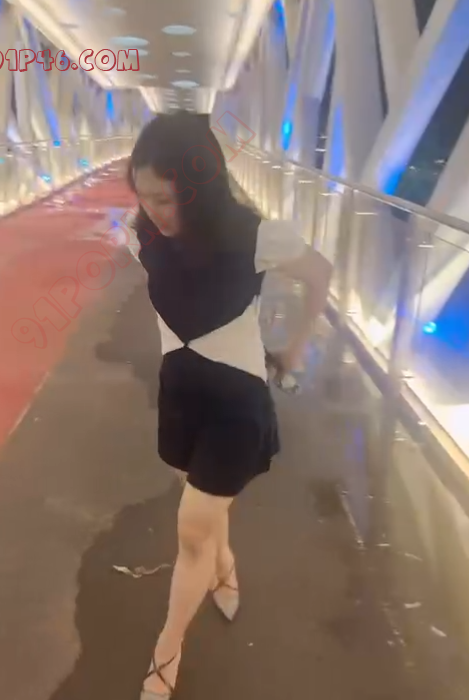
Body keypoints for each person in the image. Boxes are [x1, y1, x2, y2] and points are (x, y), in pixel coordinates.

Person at [125, 112, 332, 699]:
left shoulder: (254, 235)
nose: (152, 212)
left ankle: (167, 651)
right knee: (205, 510)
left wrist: (294, 349)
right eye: (142, 196)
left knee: (191, 526)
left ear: (198, 188)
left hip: (236, 402)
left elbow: (320, 273)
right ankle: (224, 564)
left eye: (164, 198)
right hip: (180, 394)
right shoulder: (139, 235)